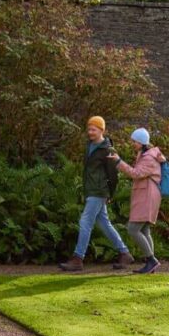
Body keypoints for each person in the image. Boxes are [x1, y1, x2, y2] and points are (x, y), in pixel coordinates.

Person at [59, 116, 132, 272]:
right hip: (91, 190)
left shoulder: (108, 150)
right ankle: (124, 252)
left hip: (99, 191)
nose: (90, 132)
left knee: (85, 222)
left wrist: (110, 195)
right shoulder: (90, 145)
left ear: (102, 130)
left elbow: (113, 175)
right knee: (104, 224)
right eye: (89, 129)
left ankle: (78, 259)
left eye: (94, 129)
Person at [110, 127, 164, 274]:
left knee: (132, 229)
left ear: (141, 142)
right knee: (145, 230)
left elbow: (136, 173)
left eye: (134, 141)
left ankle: (151, 260)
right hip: (147, 194)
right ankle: (150, 264)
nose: (132, 143)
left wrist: (119, 162)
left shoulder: (148, 158)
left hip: (147, 195)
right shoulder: (145, 155)